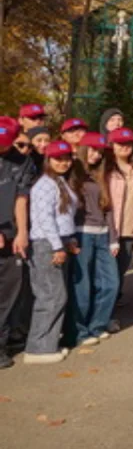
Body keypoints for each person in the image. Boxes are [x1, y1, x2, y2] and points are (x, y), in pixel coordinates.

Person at [24, 140, 78, 363]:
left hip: (60, 240)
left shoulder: (60, 181)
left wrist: (69, 239)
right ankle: (38, 348)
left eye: (67, 158)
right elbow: (45, 219)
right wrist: (57, 245)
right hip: (46, 243)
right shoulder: (44, 185)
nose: (63, 163)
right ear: (48, 159)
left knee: (57, 295)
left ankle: (49, 343)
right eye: (58, 159)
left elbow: (64, 216)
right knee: (51, 296)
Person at [69, 134, 119, 347]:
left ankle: (97, 325)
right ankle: (80, 332)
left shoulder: (100, 175)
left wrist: (113, 238)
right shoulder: (73, 173)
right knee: (82, 287)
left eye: (99, 151)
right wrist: (70, 237)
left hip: (103, 234)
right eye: (92, 149)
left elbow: (108, 209)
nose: (96, 155)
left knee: (110, 284)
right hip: (82, 234)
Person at [0, 116, 36, 368]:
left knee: (8, 292)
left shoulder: (22, 162)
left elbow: (21, 199)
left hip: (10, 233)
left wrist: (22, 232)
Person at [104, 127, 133, 333]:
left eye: (128, 144)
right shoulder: (107, 169)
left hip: (130, 229)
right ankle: (105, 316)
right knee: (108, 277)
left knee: (119, 273)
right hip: (111, 230)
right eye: (120, 144)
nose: (125, 147)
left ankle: (110, 313)